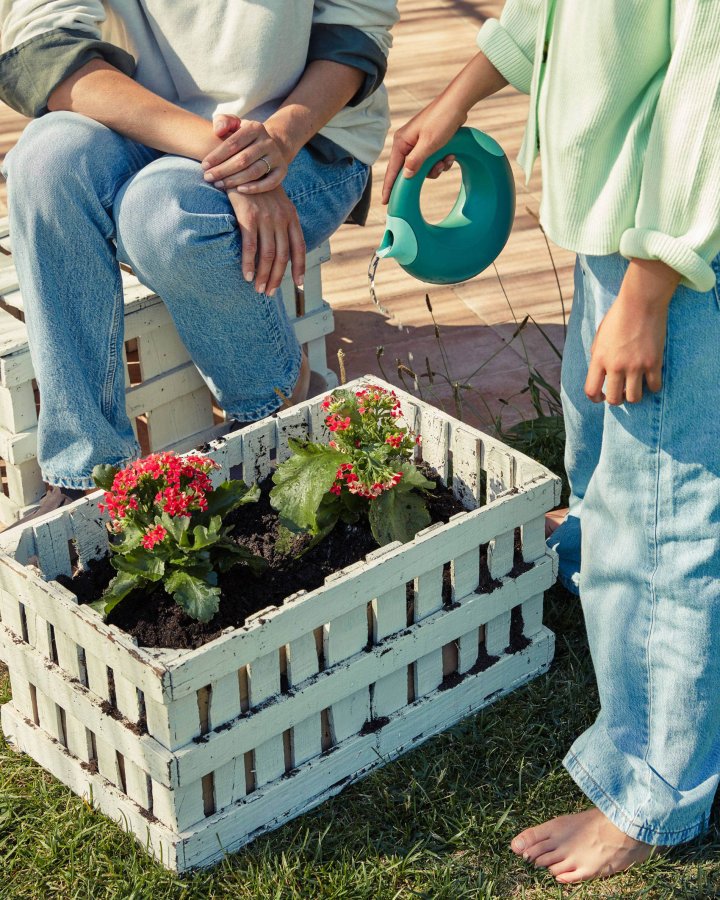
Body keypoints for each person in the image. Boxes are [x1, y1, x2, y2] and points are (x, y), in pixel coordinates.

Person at [382, 0, 720, 886]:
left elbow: (710, 89)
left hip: (678, 252)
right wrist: (460, 93)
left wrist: (651, 287)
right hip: (627, 230)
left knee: (663, 518)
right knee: (611, 459)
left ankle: (651, 792)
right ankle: (604, 568)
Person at [0, 0, 398, 518]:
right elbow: (45, 47)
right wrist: (236, 159)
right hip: (142, 119)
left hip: (305, 140)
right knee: (44, 162)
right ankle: (87, 475)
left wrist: (274, 144)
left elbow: (354, 30)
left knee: (164, 216)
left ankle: (276, 403)